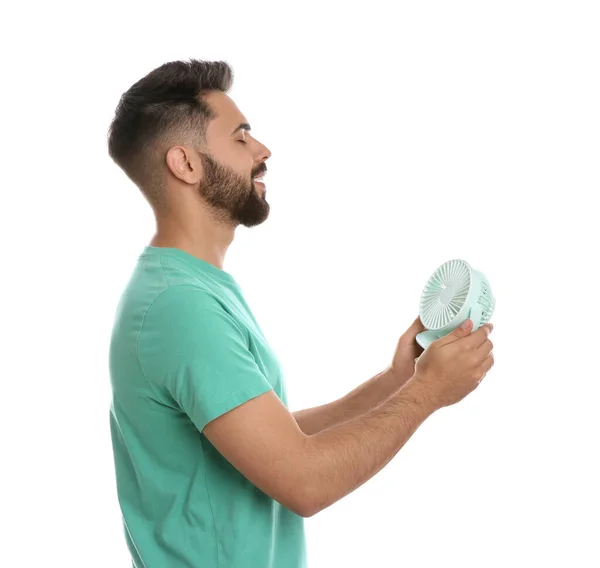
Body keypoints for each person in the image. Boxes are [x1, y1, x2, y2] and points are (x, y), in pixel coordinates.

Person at [107, 58, 495, 568]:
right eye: (241, 136)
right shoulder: (180, 308)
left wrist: (398, 380)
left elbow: (273, 441)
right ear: (186, 164)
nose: (263, 151)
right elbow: (304, 481)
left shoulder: (189, 288)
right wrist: (428, 394)